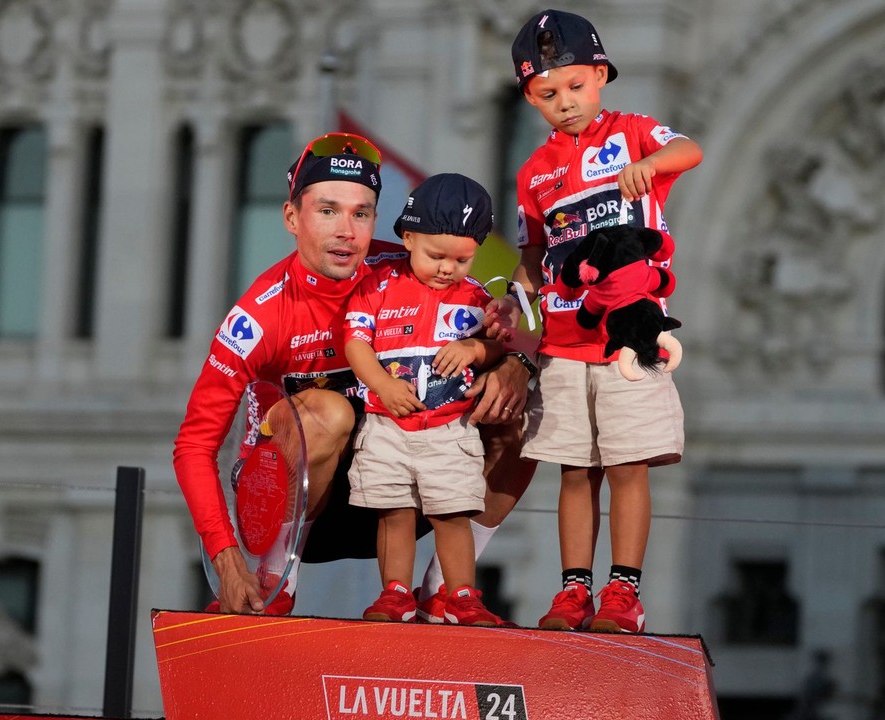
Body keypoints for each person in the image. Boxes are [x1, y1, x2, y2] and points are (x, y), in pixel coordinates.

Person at [173, 132, 536, 616]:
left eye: (361, 213)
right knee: (328, 410)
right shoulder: (258, 317)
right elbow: (194, 446)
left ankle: (442, 591)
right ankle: (276, 577)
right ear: (291, 218)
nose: (346, 230)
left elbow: (507, 317)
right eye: (327, 211)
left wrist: (516, 363)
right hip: (299, 507)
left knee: (527, 412)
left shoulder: (414, 264)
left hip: (407, 485)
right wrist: (226, 559)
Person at [488, 9, 704, 632]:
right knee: (575, 470)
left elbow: (690, 148)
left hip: (627, 341)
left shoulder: (632, 130)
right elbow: (534, 252)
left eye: (576, 86)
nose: (566, 103)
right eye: (547, 94)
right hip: (562, 339)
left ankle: (624, 594)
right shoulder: (533, 173)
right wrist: (513, 297)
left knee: (627, 465)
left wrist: (653, 165)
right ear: (530, 97)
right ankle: (573, 591)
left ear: (601, 75)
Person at [345, 173, 507, 626]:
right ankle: (395, 593)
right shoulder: (376, 285)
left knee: (452, 512)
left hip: (450, 428)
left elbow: (500, 345)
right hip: (386, 424)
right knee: (394, 512)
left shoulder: (476, 297)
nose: (446, 268)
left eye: (462, 259)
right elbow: (355, 342)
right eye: (436, 255)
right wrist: (382, 384)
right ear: (408, 236)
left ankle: (460, 597)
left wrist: (476, 349)